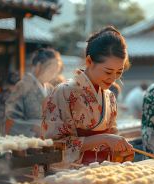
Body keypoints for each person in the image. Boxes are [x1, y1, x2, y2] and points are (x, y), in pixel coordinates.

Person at [42, 26, 134, 164]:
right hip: (71, 173)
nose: (113, 78)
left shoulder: (109, 97)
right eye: (108, 72)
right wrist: (104, 139)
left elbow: (112, 135)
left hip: (102, 171)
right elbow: (54, 144)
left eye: (119, 72)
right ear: (89, 62)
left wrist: (120, 150)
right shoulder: (64, 92)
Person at [5, 48, 62, 137]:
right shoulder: (23, 86)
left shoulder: (50, 89)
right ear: (39, 66)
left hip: (48, 139)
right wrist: (33, 127)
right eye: (51, 70)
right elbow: (11, 119)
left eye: (56, 71)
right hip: (28, 141)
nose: (53, 74)